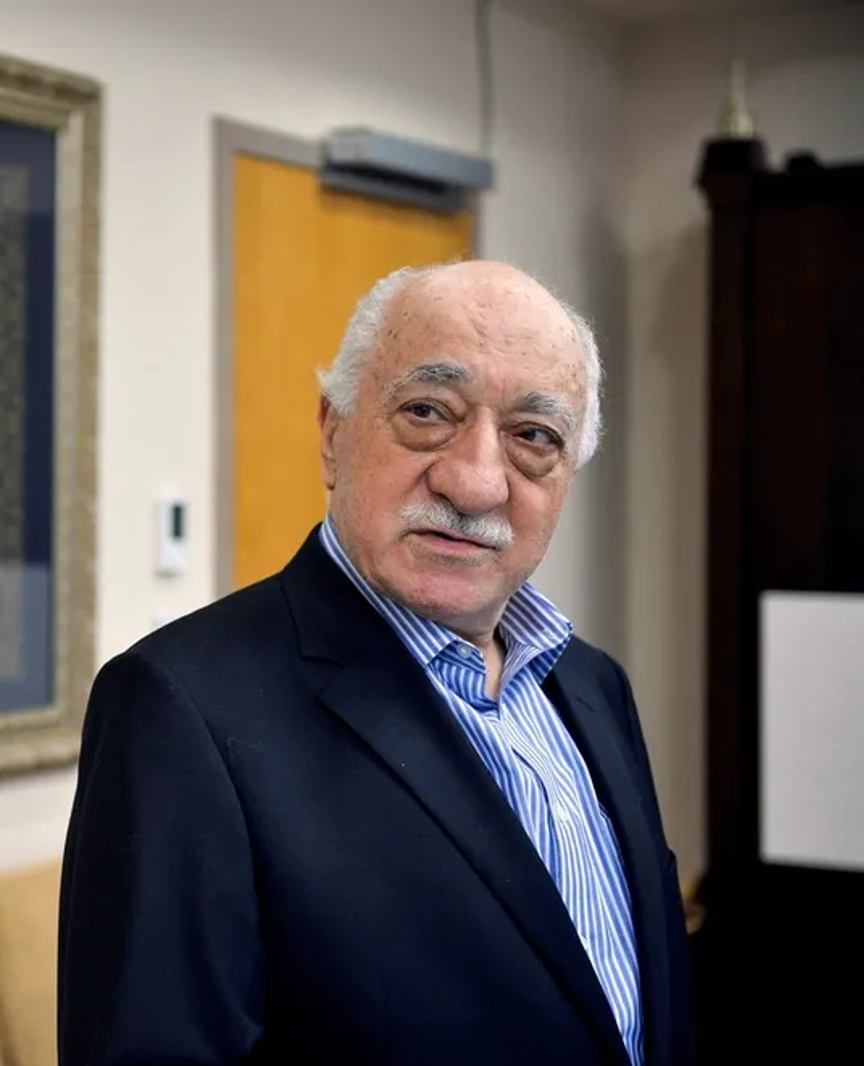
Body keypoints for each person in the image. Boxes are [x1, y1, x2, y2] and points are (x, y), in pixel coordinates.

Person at [57, 261, 694, 1066]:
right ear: (333, 434)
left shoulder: (594, 687)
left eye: (534, 435)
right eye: (428, 412)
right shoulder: (181, 711)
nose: (475, 483)